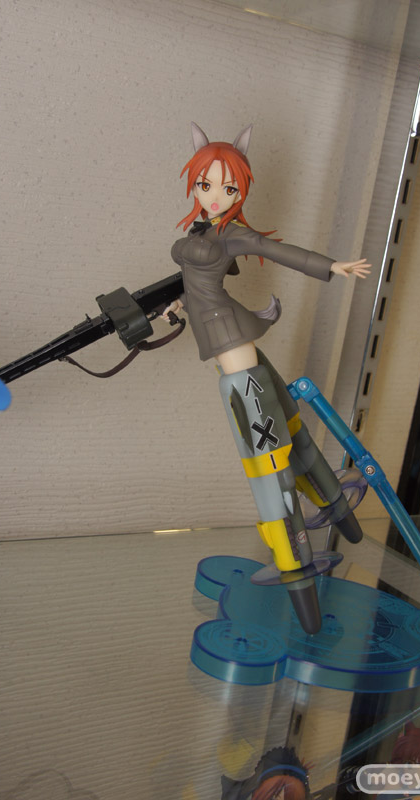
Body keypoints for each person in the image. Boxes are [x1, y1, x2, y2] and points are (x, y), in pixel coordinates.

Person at [165, 123, 371, 633]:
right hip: (232, 351)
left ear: (240, 190)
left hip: (238, 360)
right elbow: (197, 286)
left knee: (269, 466)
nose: (214, 195)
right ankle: (338, 513)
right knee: (290, 439)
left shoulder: (232, 234)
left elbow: (281, 251)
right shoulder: (201, 232)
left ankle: (297, 565)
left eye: (227, 187)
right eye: (205, 185)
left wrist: (333, 267)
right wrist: (178, 306)